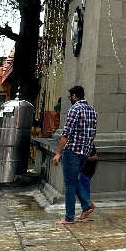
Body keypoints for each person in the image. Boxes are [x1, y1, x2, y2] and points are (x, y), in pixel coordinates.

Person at [53, 86, 97, 225]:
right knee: (75, 179)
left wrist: (58, 153)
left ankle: (69, 217)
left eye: (70, 97)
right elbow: (92, 133)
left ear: (73, 96)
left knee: (69, 183)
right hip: (85, 151)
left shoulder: (74, 109)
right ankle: (86, 206)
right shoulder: (92, 111)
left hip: (72, 151)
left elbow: (66, 133)